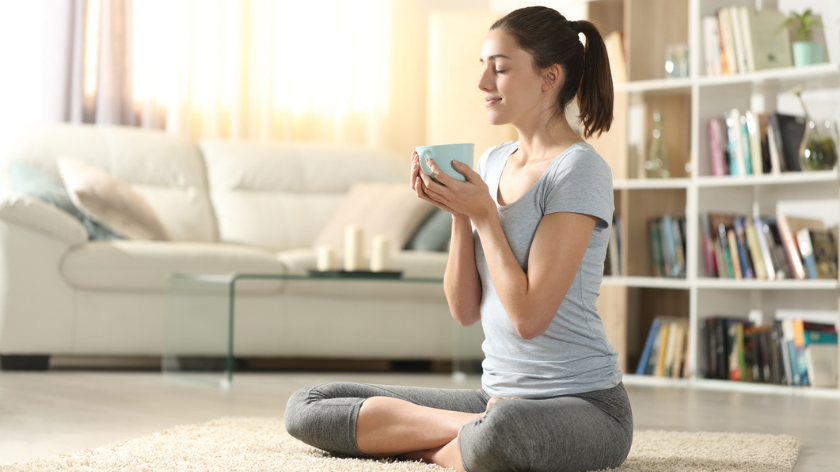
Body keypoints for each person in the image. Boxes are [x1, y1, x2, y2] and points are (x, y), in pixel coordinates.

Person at [284, 6, 632, 471]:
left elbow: (529, 318)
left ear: (549, 77)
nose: (483, 82)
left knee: (502, 434)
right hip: (492, 398)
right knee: (308, 405)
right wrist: (457, 212)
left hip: (585, 405)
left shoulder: (579, 170)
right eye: (483, 67)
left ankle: (421, 435)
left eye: (500, 68)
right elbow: (464, 310)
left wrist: (485, 215)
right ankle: (456, 435)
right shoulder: (490, 162)